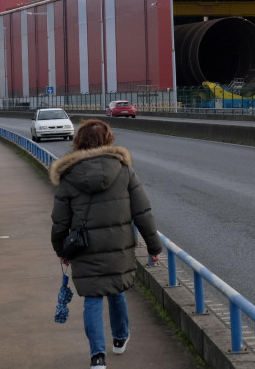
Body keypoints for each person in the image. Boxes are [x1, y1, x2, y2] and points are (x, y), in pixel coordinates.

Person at [50, 119, 162, 369]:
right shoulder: (123, 170)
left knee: (92, 298)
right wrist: (154, 248)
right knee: (116, 290)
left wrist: (61, 249)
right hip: (118, 246)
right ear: (109, 139)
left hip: (85, 248)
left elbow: (59, 221)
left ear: (78, 142)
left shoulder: (69, 177)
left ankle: (97, 357)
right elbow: (142, 212)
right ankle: (120, 338)